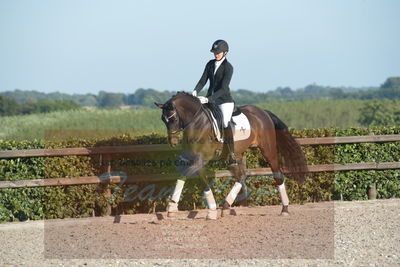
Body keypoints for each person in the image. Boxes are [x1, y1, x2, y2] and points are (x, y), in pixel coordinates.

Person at [192, 39, 238, 166]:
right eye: (214, 52)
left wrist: (209, 99)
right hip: (209, 98)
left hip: (224, 101)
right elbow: (203, 80)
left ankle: (231, 154)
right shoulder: (210, 64)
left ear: (225, 53)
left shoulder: (228, 68)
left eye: (218, 52)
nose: (216, 54)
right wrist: (195, 91)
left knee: (224, 122)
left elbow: (224, 88)